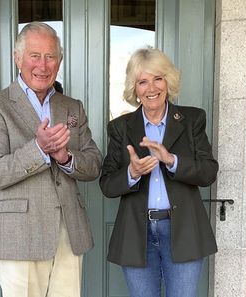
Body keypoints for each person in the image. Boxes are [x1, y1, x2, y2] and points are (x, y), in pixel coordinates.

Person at [0, 22, 102, 297]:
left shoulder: (72, 107)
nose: (43, 65)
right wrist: (39, 149)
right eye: (35, 55)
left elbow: (94, 163)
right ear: (17, 58)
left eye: (50, 57)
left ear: (59, 61)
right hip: (19, 235)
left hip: (69, 233)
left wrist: (66, 157)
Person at [99, 47, 218, 297]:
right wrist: (131, 172)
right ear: (135, 88)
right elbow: (107, 184)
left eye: (158, 78)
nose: (151, 88)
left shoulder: (192, 119)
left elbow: (208, 173)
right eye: (143, 81)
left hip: (184, 230)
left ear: (168, 81)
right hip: (136, 233)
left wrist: (172, 160)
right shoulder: (120, 127)